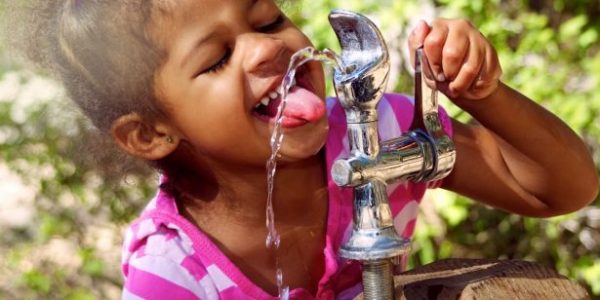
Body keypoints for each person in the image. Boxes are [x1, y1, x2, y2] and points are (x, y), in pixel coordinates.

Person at [5, 0, 598, 299]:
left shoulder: (374, 135)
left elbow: (561, 187)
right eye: (215, 59)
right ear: (152, 133)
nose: (265, 51)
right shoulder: (173, 272)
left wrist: (482, 94)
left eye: (267, 20)